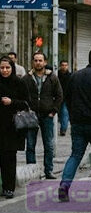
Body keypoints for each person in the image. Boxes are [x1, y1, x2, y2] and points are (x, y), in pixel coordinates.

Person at [59, 48, 91, 202]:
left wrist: (73, 117)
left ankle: (64, 186)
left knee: (75, 155)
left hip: (78, 124)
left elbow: (67, 98)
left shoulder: (75, 76)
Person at [22, 52, 63, 180]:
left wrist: (53, 111)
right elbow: (21, 96)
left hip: (47, 115)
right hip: (31, 115)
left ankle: (49, 170)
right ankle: (31, 172)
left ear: (45, 62)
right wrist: (26, 109)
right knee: (30, 145)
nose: (38, 63)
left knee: (48, 145)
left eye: (40, 60)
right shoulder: (26, 78)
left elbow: (60, 95)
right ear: (32, 62)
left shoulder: (52, 78)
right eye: (35, 60)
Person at [0, 56, 30, 198]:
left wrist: (12, 102)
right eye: (2, 68)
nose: (4, 70)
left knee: (9, 158)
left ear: (12, 68)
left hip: (12, 127)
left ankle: (9, 188)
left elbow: (26, 103)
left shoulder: (19, 83)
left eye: (7, 67)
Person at [57, 60, 72, 136]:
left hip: (66, 98)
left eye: (65, 65)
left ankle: (63, 129)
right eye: (63, 65)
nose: (64, 67)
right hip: (57, 97)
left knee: (64, 114)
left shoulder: (70, 76)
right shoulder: (56, 74)